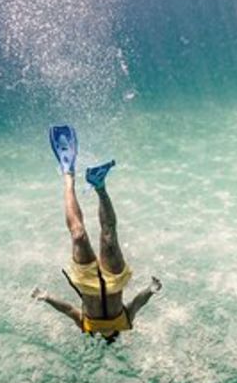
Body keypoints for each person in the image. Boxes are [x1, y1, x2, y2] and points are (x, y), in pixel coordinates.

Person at [32, 124, 160, 342]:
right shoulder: (126, 323)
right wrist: (150, 290)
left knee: (78, 235)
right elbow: (137, 303)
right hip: (114, 279)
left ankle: (68, 174)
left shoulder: (86, 327)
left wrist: (47, 298)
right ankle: (99, 185)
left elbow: (68, 310)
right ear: (114, 337)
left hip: (86, 281)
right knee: (109, 236)